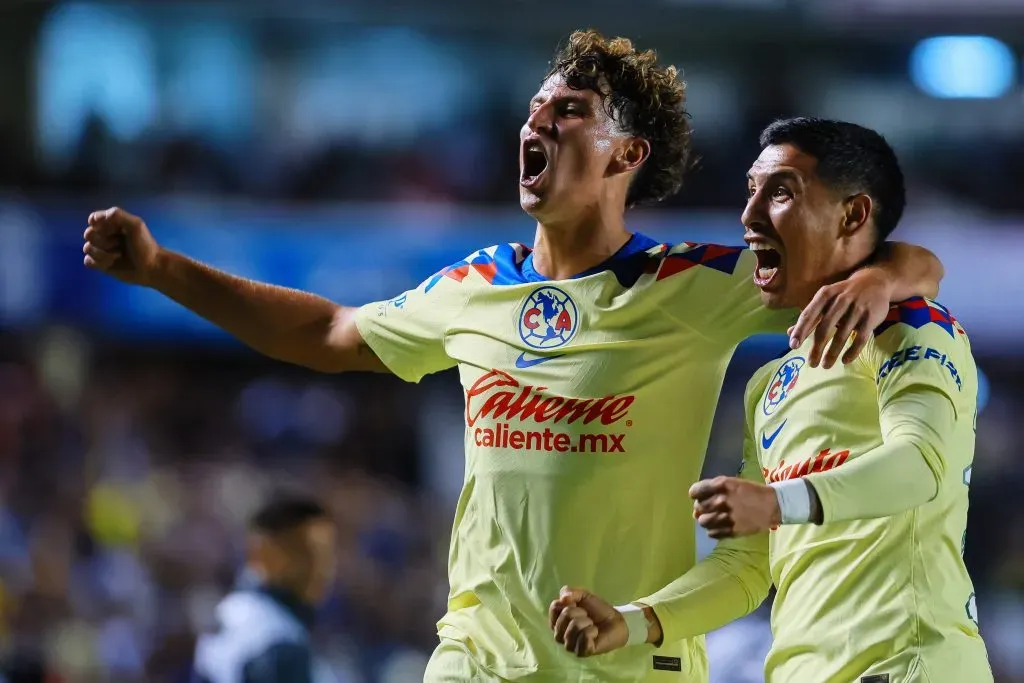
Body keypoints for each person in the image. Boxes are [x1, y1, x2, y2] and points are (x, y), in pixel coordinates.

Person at [83, 30, 944, 682]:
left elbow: (899, 264)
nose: (540, 118)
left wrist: (885, 280)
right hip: (478, 656)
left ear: (627, 154)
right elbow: (325, 333)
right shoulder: (472, 285)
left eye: (571, 111)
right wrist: (163, 271)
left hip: (633, 655)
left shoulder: (692, 284)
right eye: (538, 106)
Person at [549, 118, 992, 683]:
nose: (750, 214)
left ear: (852, 216)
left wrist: (779, 500)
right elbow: (748, 566)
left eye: (780, 192)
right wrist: (637, 621)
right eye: (750, 190)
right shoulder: (770, 385)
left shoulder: (915, 326)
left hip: (907, 664)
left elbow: (921, 465)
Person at [192, 494, 338, 683]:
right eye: (307, 555)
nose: (322, 570)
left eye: (326, 556)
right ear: (266, 554)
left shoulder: (233, 610)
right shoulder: (277, 638)